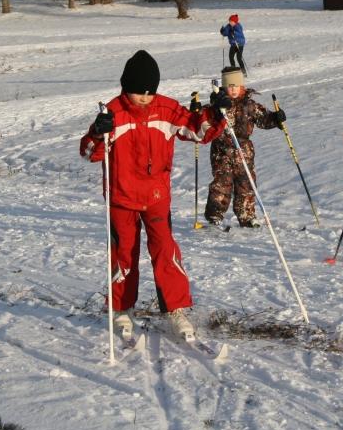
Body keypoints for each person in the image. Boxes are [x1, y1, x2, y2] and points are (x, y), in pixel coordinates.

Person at [79, 50, 231, 342]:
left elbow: (198, 131)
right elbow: (89, 152)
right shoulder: (113, 112)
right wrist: (98, 134)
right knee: (124, 255)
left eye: (150, 93)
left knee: (165, 251)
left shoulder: (166, 109)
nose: (145, 99)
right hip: (121, 197)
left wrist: (215, 113)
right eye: (138, 93)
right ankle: (122, 308)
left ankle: (175, 308)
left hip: (157, 196)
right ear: (126, 88)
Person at [204, 66, 285, 229]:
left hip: (244, 150)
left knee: (246, 183)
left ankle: (247, 216)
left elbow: (263, 119)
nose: (233, 89)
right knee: (222, 183)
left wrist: (275, 119)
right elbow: (207, 118)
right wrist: (215, 108)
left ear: (242, 86)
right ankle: (215, 215)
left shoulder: (249, 104)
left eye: (236, 85)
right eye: (229, 86)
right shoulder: (218, 104)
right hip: (222, 150)